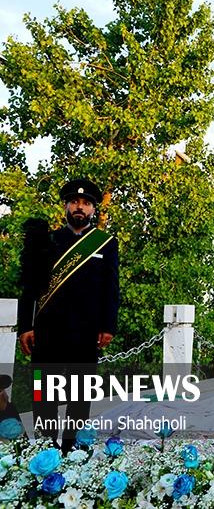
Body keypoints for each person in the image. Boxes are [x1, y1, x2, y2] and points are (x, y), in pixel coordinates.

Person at [17, 178, 119, 451]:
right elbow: (29, 286)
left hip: (86, 332)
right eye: (74, 201)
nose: (79, 207)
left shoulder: (105, 243)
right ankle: (45, 449)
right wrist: (25, 326)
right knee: (42, 394)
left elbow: (111, 287)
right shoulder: (47, 240)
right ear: (66, 206)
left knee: (80, 396)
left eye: (85, 203)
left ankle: (73, 452)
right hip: (47, 331)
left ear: (93, 209)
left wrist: (108, 325)